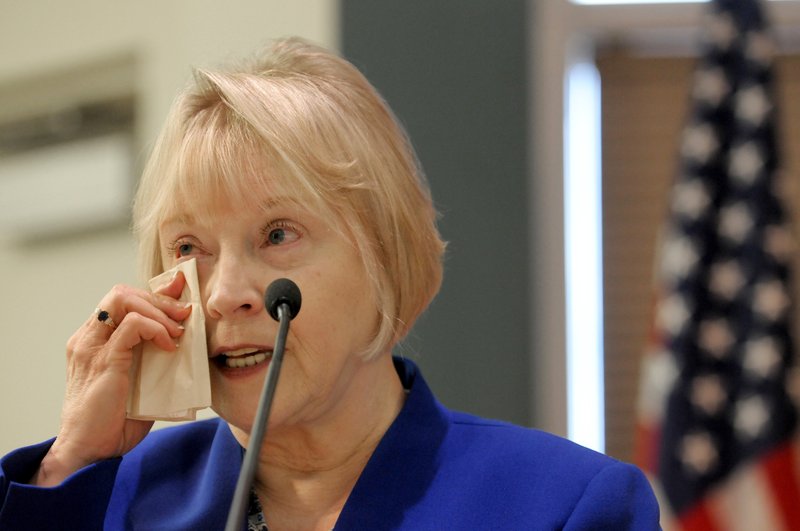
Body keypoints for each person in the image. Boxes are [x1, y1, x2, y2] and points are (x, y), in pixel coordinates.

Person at [0, 37, 660, 530]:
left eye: (277, 234)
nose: (226, 291)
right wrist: (68, 467)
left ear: (382, 251)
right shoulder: (110, 495)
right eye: (189, 247)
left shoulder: (567, 506)